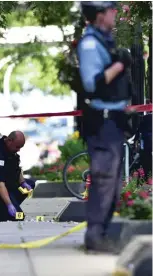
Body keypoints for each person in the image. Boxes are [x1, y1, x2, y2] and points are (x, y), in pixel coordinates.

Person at [77, 2, 133, 253]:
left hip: (114, 120)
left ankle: (101, 234)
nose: (115, 13)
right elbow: (92, 84)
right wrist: (119, 65)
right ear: (100, 15)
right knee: (103, 179)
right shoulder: (90, 44)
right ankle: (95, 236)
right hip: (103, 122)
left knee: (112, 181)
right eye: (111, 9)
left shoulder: (104, 40)